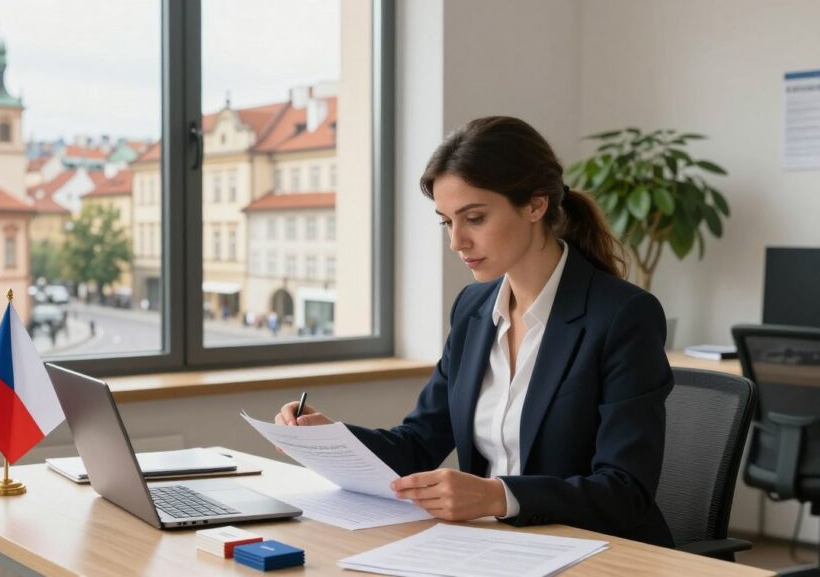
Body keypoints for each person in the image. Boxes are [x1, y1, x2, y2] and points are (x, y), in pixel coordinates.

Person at [274, 116, 674, 547]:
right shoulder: (473, 309)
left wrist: (498, 496)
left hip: (594, 552)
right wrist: (332, 440)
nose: (457, 242)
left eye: (475, 218)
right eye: (447, 222)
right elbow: (418, 443)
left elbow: (625, 492)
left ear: (535, 205)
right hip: (492, 549)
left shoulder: (622, 315)